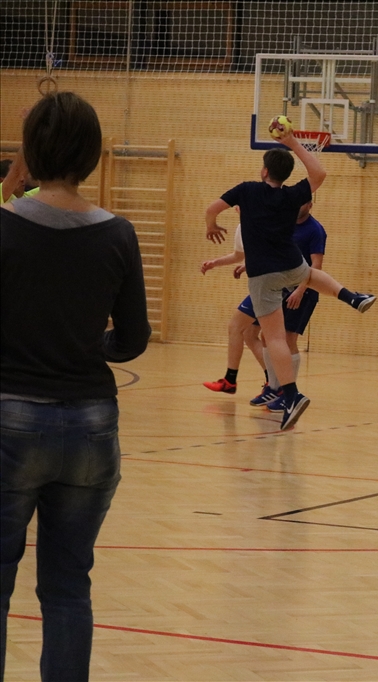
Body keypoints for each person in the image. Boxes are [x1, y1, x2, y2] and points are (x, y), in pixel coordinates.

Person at [1, 92, 150, 681]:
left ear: (30, 152)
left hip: (10, 421)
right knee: (68, 588)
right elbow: (133, 339)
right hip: (92, 426)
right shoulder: (119, 234)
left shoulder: (3, 226)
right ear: (92, 154)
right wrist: (91, 346)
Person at [205, 127, 374, 430]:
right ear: (285, 175)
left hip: (263, 275)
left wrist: (211, 225)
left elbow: (211, 209)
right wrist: (292, 142)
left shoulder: (247, 190)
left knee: (274, 338)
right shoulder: (292, 195)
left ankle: (291, 395)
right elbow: (319, 173)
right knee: (310, 274)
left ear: (264, 171)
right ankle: (352, 297)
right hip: (291, 262)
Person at [202, 201, 334, 409]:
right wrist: (246, 265)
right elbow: (273, 255)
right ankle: (274, 387)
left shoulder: (315, 230)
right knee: (256, 334)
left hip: (300, 291)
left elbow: (316, 266)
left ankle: (288, 393)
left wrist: (300, 291)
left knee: (287, 339)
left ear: (310, 205)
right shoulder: (281, 223)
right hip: (273, 286)